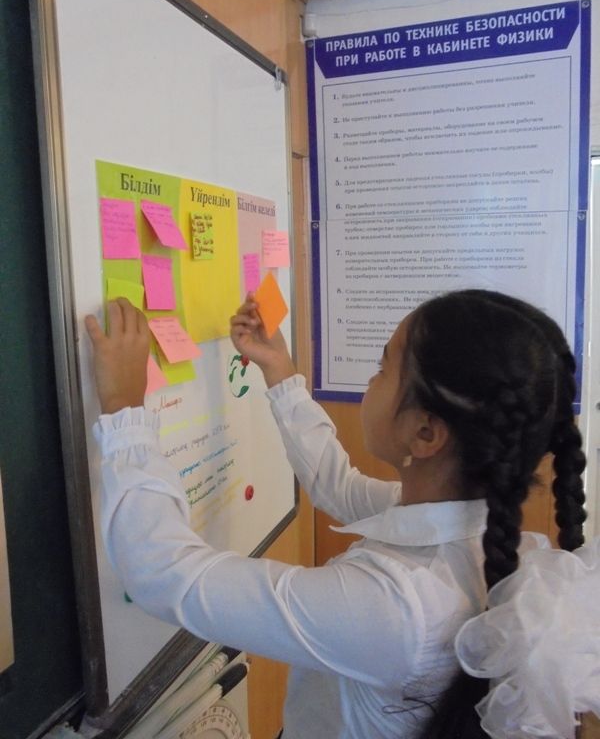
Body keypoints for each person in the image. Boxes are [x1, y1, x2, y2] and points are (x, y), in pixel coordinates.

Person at [84, 289, 598, 739]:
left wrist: (125, 412)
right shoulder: (467, 528)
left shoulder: (395, 608)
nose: (371, 381)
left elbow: (165, 575)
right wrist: (280, 372)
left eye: (383, 369)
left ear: (424, 433)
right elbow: (339, 486)